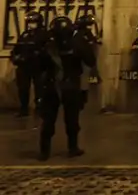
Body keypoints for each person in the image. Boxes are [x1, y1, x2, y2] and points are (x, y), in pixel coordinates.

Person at [36, 16, 96, 160]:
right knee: (71, 118)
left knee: (50, 119)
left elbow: (40, 65)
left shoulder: (49, 44)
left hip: (53, 84)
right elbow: (90, 60)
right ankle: (72, 148)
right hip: (69, 84)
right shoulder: (77, 42)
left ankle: (45, 151)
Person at [11, 12, 46, 117]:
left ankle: (39, 108)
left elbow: (45, 50)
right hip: (24, 66)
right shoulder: (25, 34)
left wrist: (35, 55)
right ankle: (23, 108)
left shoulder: (43, 34)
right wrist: (15, 56)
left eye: (33, 22)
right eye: (30, 22)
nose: (31, 24)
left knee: (40, 88)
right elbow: (17, 47)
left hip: (38, 65)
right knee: (23, 88)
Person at [73, 14, 101, 111]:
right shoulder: (82, 35)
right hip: (84, 62)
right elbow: (85, 50)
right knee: (84, 83)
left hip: (84, 62)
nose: (90, 27)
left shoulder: (84, 34)